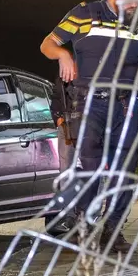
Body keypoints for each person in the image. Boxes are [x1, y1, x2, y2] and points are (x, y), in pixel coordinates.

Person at [40, 0, 138, 253]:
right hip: (90, 105)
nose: (136, 6)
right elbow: (47, 44)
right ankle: (87, 229)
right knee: (89, 172)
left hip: (127, 107)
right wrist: (64, 55)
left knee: (125, 174)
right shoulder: (84, 13)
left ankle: (113, 230)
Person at [48, 74, 78, 235]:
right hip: (67, 125)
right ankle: (69, 216)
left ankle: (90, 215)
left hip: (90, 124)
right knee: (66, 173)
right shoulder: (63, 77)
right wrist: (59, 120)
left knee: (94, 170)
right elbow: (56, 98)